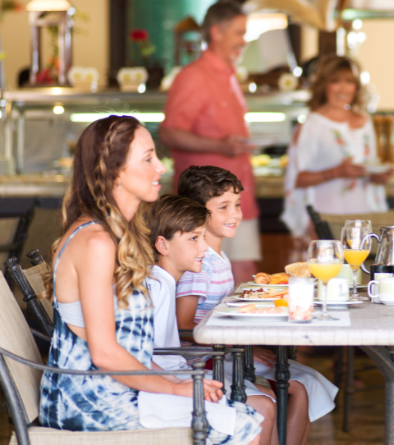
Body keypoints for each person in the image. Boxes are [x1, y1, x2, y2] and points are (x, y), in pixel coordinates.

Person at [39, 115, 262, 445]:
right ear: (115, 171)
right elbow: (104, 354)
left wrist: (175, 380)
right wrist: (173, 386)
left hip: (118, 386)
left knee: (243, 416)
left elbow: (127, 346)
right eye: (148, 159)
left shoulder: (115, 234)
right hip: (91, 400)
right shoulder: (97, 242)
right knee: (242, 425)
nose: (160, 166)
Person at [175, 165, 338, 445]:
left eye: (237, 204)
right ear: (197, 213)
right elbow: (183, 325)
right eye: (223, 207)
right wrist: (239, 346)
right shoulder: (200, 265)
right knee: (299, 386)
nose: (235, 214)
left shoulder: (216, 256)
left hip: (224, 351)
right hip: (207, 358)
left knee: (306, 383)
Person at [144, 194, 280, 445]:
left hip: (178, 374)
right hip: (162, 384)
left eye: (202, 237)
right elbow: (141, 354)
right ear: (163, 245)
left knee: (264, 406)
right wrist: (179, 383)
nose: (204, 247)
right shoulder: (157, 286)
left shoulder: (164, 282)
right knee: (258, 413)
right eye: (194, 238)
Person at [160, 0, 260, 284]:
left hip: (236, 201)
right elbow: (169, 133)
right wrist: (219, 146)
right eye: (239, 33)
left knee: (242, 276)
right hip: (206, 207)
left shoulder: (230, 75)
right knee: (211, 284)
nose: (244, 41)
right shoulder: (194, 76)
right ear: (216, 32)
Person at [280, 55, 392, 238]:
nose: (343, 88)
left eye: (349, 82)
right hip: (325, 219)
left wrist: (379, 176)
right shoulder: (312, 124)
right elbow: (296, 179)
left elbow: (369, 168)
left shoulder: (365, 121)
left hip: (364, 220)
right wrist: (335, 172)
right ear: (324, 85)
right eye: (335, 81)